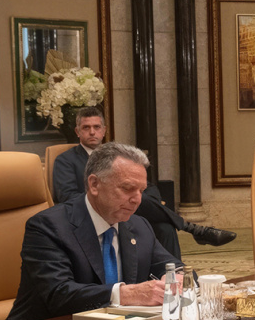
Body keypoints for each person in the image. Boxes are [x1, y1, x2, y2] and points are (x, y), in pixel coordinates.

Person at [5, 143, 181, 320]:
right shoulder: (48, 226)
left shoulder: (139, 225)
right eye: (128, 188)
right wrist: (126, 294)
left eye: (141, 190)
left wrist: (177, 277)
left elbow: (173, 266)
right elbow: (59, 294)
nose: (137, 199)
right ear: (94, 184)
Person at [53, 106, 235, 257]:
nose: (92, 132)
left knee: (165, 227)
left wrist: (148, 201)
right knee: (136, 197)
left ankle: (173, 276)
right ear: (77, 132)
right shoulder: (65, 160)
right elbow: (67, 197)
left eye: (96, 127)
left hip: (130, 211)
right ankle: (194, 229)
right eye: (86, 127)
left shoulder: (119, 157)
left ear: (104, 130)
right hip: (96, 213)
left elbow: (150, 186)